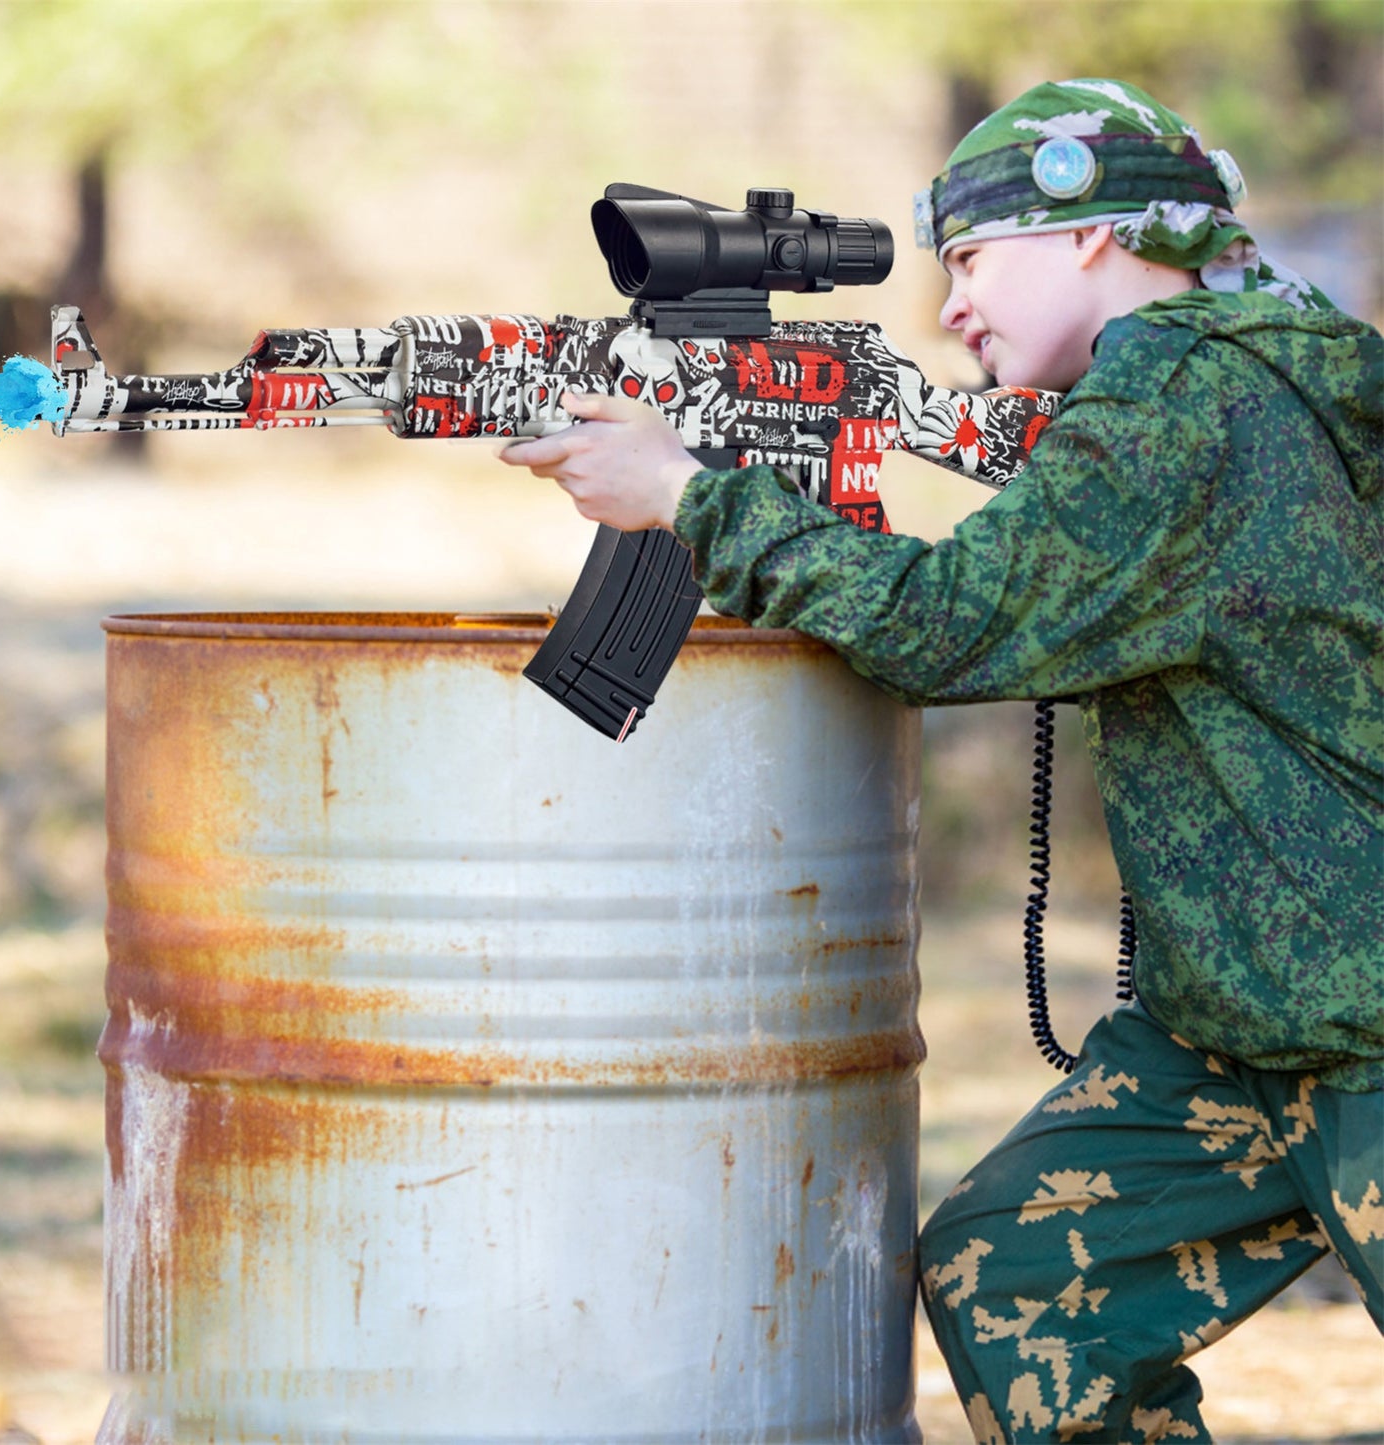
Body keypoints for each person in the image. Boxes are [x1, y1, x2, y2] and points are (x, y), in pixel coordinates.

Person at [501, 78, 1383, 1443]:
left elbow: (940, 626)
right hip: (1243, 1036)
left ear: (1090, 234)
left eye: (971, 258)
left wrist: (685, 495)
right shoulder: (1240, 375)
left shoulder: (1184, 407)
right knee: (1015, 1273)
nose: (952, 305)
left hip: (1368, 1028)